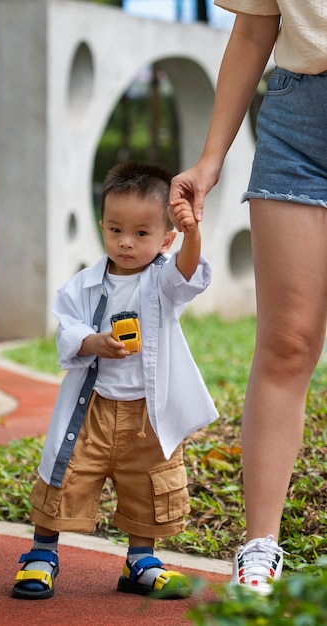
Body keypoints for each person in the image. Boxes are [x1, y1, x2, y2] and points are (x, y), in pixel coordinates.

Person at [169, 1, 327, 597]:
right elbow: (256, 25)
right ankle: (260, 546)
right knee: (287, 343)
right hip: (298, 122)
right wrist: (210, 160)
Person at [11, 161, 218, 600]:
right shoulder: (82, 286)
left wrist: (193, 233)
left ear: (165, 239)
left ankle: (140, 561)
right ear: (101, 226)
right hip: (94, 408)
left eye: (142, 234)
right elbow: (66, 327)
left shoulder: (161, 281)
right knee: (66, 473)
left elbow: (187, 274)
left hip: (147, 411)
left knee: (148, 482)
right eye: (115, 230)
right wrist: (92, 342)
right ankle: (41, 554)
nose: (126, 242)